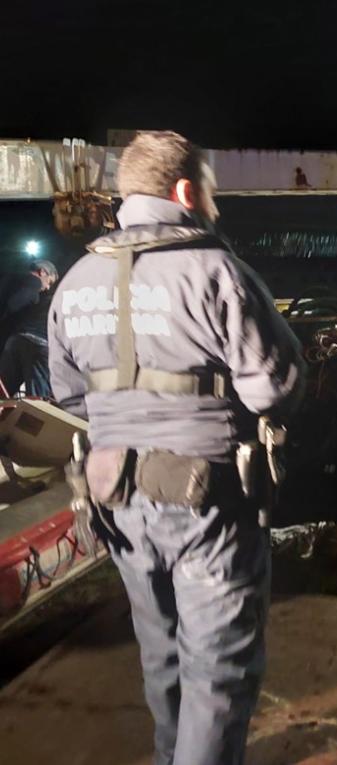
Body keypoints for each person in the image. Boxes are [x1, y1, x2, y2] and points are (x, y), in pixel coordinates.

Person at [47, 131, 304, 765]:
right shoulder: (217, 271)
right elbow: (273, 388)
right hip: (206, 501)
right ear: (187, 191)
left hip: (114, 499)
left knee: (161, 657)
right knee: (217, 672)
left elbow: (71, 401)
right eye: (210, 192)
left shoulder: (74, 282)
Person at [0, 259, 58, 397]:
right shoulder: (33, 283)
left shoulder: (9, 277)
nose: (47, 287)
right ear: (42, 272)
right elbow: (14, 304)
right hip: (37, 344)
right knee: (35, 399)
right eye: (49, 282)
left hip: (14, 341)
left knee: (3, 391)